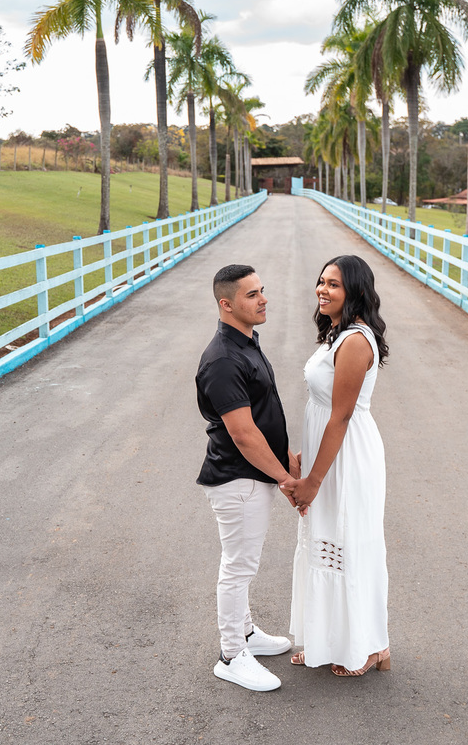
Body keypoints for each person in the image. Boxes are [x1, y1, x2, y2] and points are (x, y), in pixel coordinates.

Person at [282, 254, 391, 677]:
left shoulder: (356, 341)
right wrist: (305, 454)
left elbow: (341, 416)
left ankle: (369, 648)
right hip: (331, 449)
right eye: (321, 281)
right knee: (327, 540)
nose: (322, 290)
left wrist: (312, 479)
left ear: (355, 292)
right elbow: (322, 408)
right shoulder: (336, 332)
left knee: (350, 542)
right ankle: (330, 640)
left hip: (348, 457)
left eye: (334, 285)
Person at [196, 264, 300, 692]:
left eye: (263, 291)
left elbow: (261, 414)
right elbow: (242, 432)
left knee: (244, 564)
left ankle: (248, 635)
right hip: (238, 480)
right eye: (252, 294)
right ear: (227, 304)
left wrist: (284, 462)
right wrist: (284, 478)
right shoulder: (222, 359)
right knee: (238, 567)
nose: (263, 299)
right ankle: (231, 654)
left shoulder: (246, 343)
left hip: (254, 476)